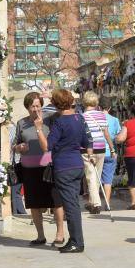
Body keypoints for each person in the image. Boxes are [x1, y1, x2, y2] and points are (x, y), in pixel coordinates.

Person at [36, 89, 94, 253]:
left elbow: (47, 146)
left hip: (64, 166)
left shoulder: (60, 122)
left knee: (71, 207)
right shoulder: (79, 118)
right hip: (77, 165)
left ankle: (76, 242)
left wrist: (39, 129)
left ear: (55, 104)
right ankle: (75, 239)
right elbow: (86, 140)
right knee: (73, 204)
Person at [13, 91, 65, 246]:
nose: (35, 109)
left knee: (56, 201)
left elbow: (63, 109)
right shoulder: (21, 123)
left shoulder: (51, 119)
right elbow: (14, 144)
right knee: (34, 204)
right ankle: (40, 236)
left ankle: (60, 233)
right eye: (32, 106)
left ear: (42, 106)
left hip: (48, 167)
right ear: (27, 107)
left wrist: (52, 96)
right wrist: (18, 147)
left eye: (37, 106)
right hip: (29, 169)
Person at [81, 91, 115, 214]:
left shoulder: (82, 116)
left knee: (90, 176)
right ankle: (91, 202)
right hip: (101, 147)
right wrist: (112, 149)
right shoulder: (101, 115)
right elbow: (106, 133)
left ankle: (96, 204)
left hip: (87, 149)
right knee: (96, 176)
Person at [99, 96, 122, 205]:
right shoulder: (115, 120)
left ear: (99, 107)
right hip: (110, 151)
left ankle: (96, 201)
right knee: (108, 179)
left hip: (97, 151)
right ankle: (107, 202)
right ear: (109, 108)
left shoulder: (96, 118)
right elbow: (118, 136)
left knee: (96, 177)